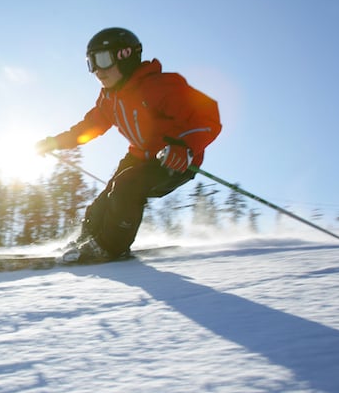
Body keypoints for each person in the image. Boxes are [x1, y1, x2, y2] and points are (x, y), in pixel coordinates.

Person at [35, 27, 222, 263]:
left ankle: (110, 247)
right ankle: (85, 241)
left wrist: (184, 147)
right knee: (101, 205)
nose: (97, 71)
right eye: (91, 63)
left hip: (174, 157)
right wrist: (54, 142)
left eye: (102, 60)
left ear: (125, 56)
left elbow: (207, 115)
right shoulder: (108, 100)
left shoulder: (159, 86)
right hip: (139, 157)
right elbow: (87, 128)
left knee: (127, 186)